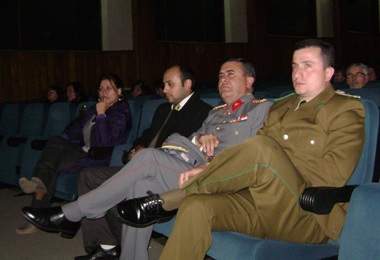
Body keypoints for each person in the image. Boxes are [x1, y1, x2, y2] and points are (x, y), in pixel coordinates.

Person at [117, 39, 365, 259]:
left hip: (304, 212)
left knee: (261, 147)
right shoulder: (281, 107)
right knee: (197, 207)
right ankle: (183, 197)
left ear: (328, 72)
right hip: (258, 204)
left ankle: (168, 200)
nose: (298, 73)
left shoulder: (346, 109)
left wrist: (279, 175)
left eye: (307, 65)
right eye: (294, 66)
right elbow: (248, 160)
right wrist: (207, 167)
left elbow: (331, 175)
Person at [20, 57, 273, 260]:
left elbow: (257, 153)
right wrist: (199, 140)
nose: (223, 80)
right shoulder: (216, 113)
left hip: (219, 179)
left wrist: (208, 159)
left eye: (231, 74)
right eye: (220, 75)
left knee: (151, 157)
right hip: (188, 170)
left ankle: (72, 213)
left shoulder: (262, 109)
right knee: (141, 187)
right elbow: (189, 140)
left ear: (249, 80)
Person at [77, 64, 212, 257]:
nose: (164, 89)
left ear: (187, 84)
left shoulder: (203, 112)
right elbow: (144, 137)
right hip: (138, 165)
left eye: (169, 84)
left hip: (163, 173)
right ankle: (106, 245)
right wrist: (134, 151)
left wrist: (148, 153)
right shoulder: (163, 109)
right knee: (88, 176)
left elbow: (185, 152)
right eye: (164, 84)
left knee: (120, 186)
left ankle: (87, 220)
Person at [16, 73, 132, 235]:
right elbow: (76, 127)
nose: (104, 92)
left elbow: (104, 142)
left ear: (119, 91)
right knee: (55, 144)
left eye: (109, 89)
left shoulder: (121, 112)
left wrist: (101, 115)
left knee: (53, 165)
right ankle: (38, 182)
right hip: (82, 150)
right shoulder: (95, 108)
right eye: (101, 89)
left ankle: (39, 212)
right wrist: (63, 141)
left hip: (100, 156)